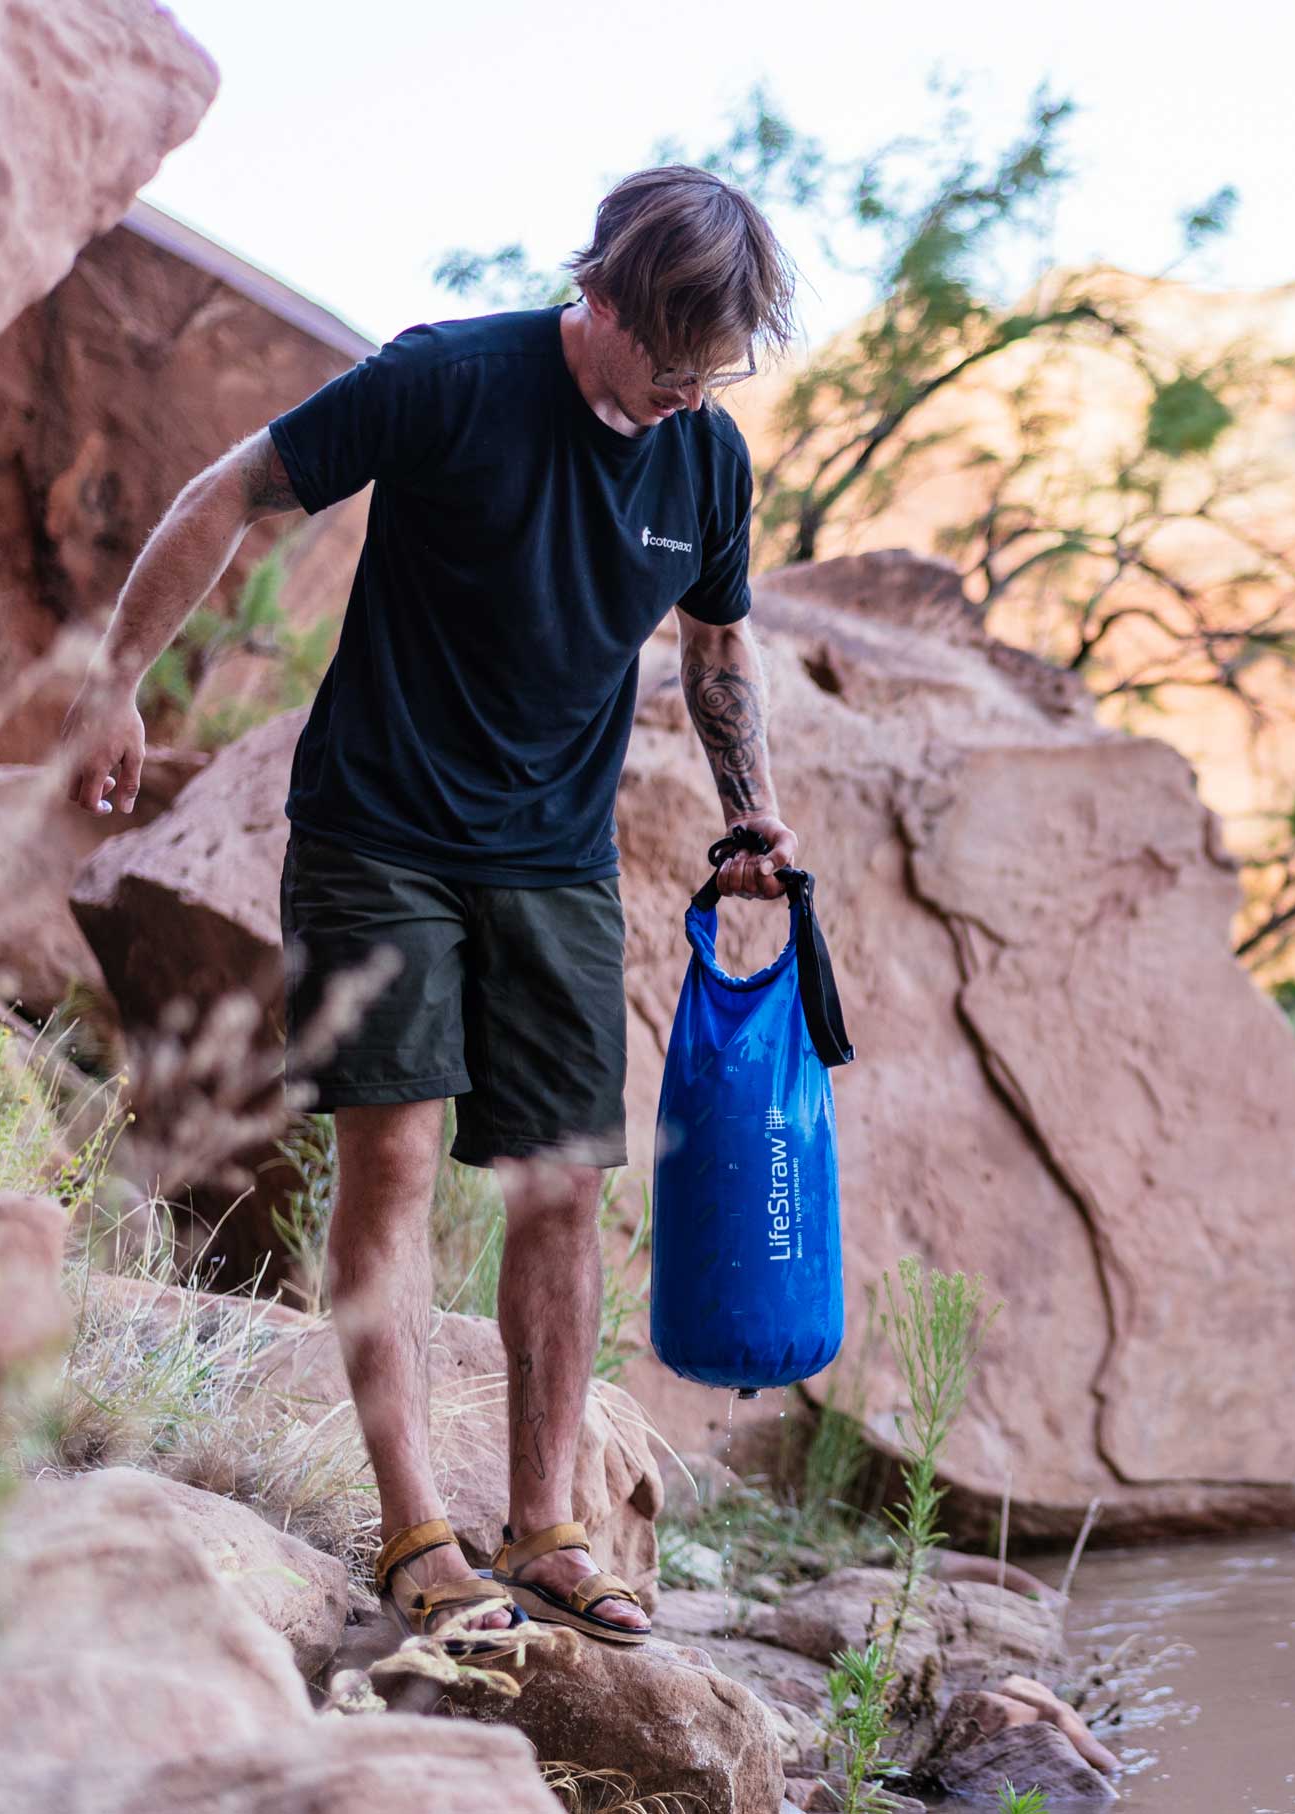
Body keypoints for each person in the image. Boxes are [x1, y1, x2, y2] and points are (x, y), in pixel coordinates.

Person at [60, 165, 799, 1654]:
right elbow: (229, 490)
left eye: (711, 371)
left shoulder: (704, 459)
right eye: (670, 359)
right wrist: (116, 682)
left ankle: (547, 1528)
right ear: (600, 295)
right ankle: (415, 1535)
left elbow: (717, 646)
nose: (684, 393)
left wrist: (751, 808)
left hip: (557, 859)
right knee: (393, 1161)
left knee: (563, 1184)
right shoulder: (447, 378)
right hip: (379, 831)